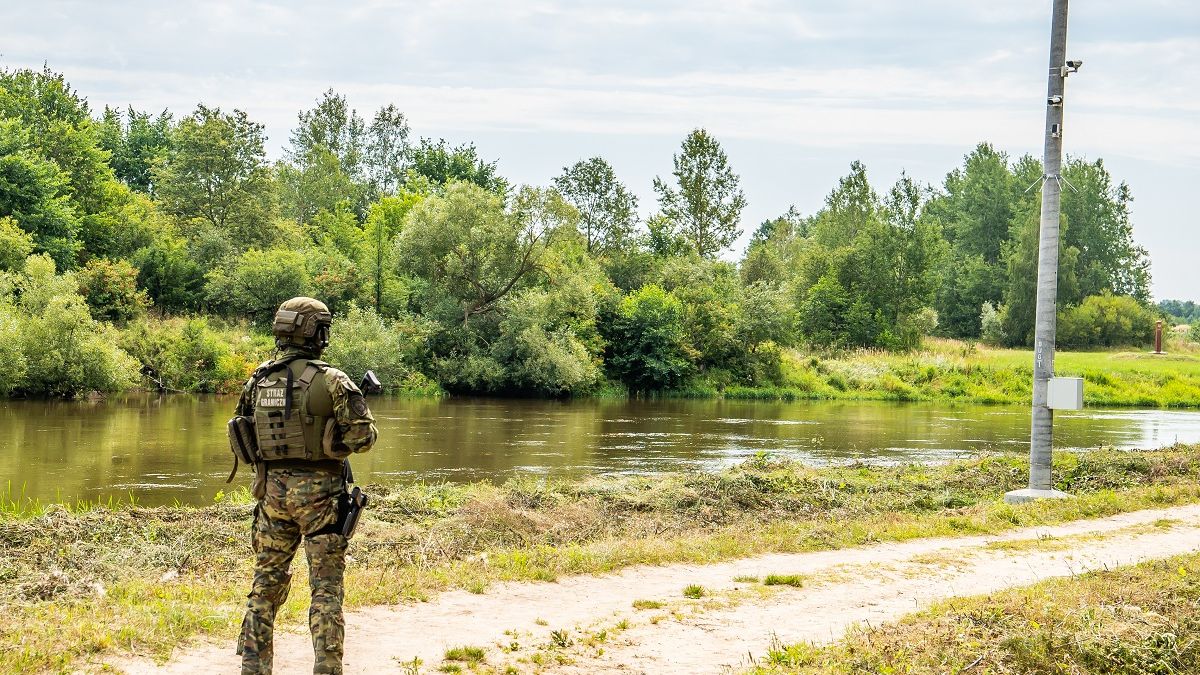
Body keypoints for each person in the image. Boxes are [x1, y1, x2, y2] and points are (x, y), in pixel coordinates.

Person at [234, 297, 377, 675]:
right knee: (326, 590)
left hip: (271, 495)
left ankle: (253, 667)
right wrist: (334, 438)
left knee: (264, 586)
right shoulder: (332, 380)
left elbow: (243, 434)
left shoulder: (259, 380)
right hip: (321, 498)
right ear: (314, 332)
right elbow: (363, 440)